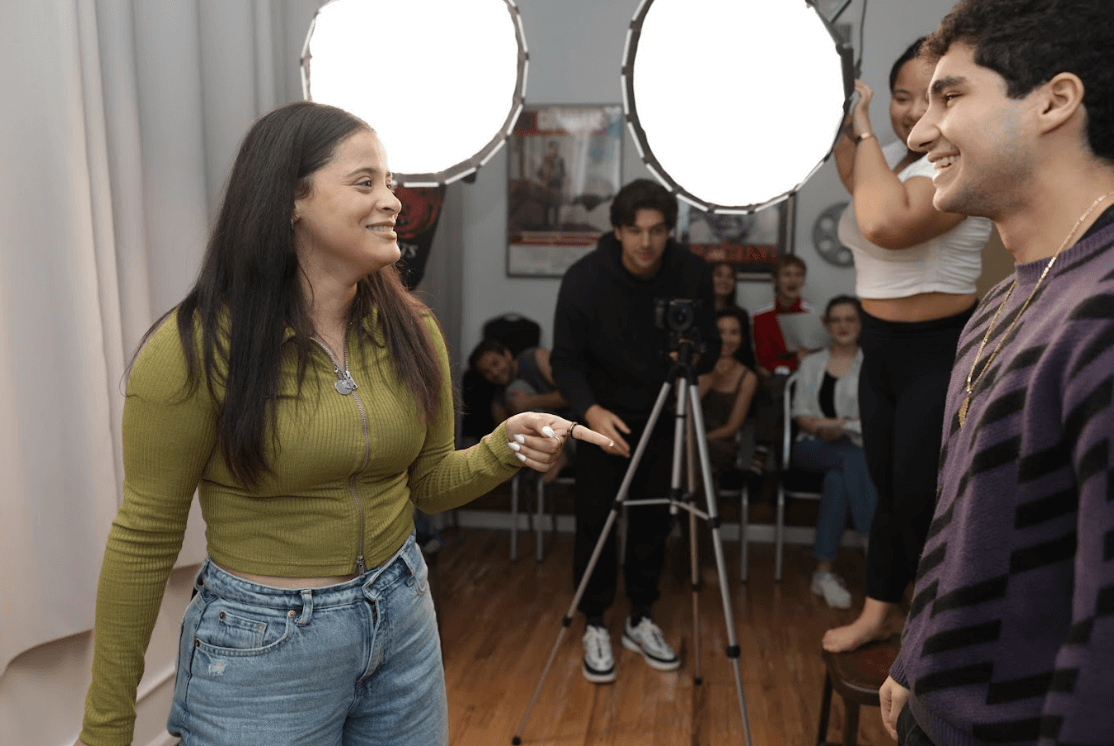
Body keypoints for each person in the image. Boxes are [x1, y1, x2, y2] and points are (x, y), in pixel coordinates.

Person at [74, 101, 611, 746]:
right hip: (262, 649)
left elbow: (430, 484)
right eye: (366, 183)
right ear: (290, 200)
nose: (393, 202)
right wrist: (105, 730)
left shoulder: (415, 331)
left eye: (390, 183)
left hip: (402, 616)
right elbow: (144, 538)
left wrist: (504, 447)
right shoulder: (192, 352)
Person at [877, 2, 1114, 743]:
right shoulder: (999, 304)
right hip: (940, 710)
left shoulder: (1102, 319)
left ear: (1054, 100)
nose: (918, 134)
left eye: (951, 96)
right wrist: (914, 660)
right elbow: (966, 518)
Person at [821, 37, 993, 654]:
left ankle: (934, 626)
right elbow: (850, 172)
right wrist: (833, 99)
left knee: (921, 490)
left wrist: (864, 130)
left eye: (931, 96)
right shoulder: (890, 153)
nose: (911, 110)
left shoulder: (956, 161)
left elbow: (887, 224)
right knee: (886, 488)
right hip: (882, 345)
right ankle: (880, 611)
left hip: (938, 346)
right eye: (899, 96)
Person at [551, 178, 720, 684]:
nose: (646, 243)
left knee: (652, 524)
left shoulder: (692, 273)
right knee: (597, 522)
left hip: (666, 413)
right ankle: (596, 621)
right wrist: (590, 410)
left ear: (670, 231)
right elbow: (564, 360)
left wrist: (690, 355)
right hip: (603, 416)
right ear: (617, 230)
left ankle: (641, 617)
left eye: (657, 231)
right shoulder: (584, 278)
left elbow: (711, 345)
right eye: (635, 231)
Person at [789, 296, 876, 610]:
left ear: (860, 324)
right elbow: (801, 415)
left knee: (839, 479)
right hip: (811, 447)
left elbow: (874, 419)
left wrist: (835, 425)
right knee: (851, 458)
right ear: (826, 324)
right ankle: (875, 551)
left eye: (849, 319)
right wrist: (841, 425)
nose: (843, 326)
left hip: (850, 449)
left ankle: (823, 573)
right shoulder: (812, 363)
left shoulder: (871, 364)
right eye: (836, 320)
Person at [470, 339, 572, 480]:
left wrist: (530, 401)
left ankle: (559, 455)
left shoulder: (535, 357)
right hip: (538, 452)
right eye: (487, 372)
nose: (495, 372)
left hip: (574, 431)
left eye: (495, 363)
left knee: (516, 389)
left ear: (507, 355)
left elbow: (574, 396)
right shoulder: (497, 401)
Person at [699, 308, 758, 473]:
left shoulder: (747, 377)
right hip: (684, 436)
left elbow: (732, 427)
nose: (726, 339)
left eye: (734, 332)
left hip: (720, 443)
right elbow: (680, 410)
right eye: (720, 332)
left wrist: (696, 440)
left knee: (693, 451)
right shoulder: (696, 365)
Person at [751, 255, 814, 376]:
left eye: (798, 274)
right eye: (787, 274)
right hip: (772, 380)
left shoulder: (814, 314)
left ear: (804, 280)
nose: (793, 280)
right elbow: (763, 361)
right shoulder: (760, 316)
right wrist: (796, 361)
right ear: (775, 280)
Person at [710, 260, 757, 370]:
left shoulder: (741, 315)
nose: (724, 281)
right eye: (718, 275)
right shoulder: (698, 312)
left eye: (730, 277)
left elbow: (746, 354)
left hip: (733, 373)